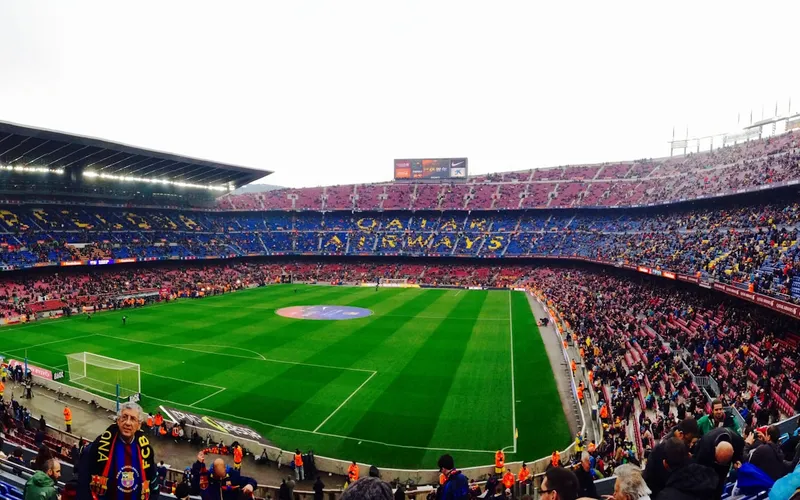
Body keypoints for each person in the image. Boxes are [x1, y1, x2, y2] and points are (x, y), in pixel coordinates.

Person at [77, 402, 158, 500]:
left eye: (133, 419)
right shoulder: (98, 446)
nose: (127, 423)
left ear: (139, 425)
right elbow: (83, 484)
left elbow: (154, 486)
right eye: (124, 417)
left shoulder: (146, 450)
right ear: (118, 421)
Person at [643, 417, 699, 497]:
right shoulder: (661, 449)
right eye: (688, 441)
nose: (690, 445)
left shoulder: (683, 445)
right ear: (680, 434)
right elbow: (649, 477)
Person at [692, 427, 745, 500]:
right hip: (707, 465)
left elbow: (739, 456)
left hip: (724, 470)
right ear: (715, 448)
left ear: (733, 451)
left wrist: (737, 460)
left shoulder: (738, 442)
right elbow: (697, 467)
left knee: (719, 486)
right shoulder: (705, 444)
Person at [191, 450, 257, 500]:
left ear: (225, 469)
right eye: (218, 476)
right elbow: (195, 484)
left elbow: (251, 481)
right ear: (213, 471)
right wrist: (199, 463)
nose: (221, 478)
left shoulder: (233, 476)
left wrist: (250, 485)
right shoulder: (208, 477)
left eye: (223, 476)